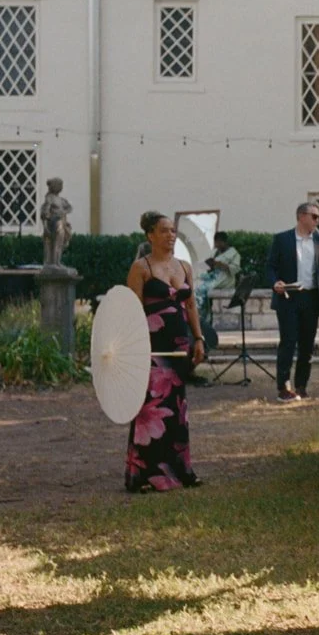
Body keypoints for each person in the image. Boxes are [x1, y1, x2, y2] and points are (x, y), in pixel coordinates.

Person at [124, 211, 205, 493]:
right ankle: (144, 475)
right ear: (150, 235)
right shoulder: (141, 267)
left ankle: (181, 469)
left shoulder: (184, 266)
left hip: (179, 341)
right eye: (164, 231)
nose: (171, 235)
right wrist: (134, 346)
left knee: (177, 406)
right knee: (151, 406)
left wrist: (198, 338)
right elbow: (131, 309)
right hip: (151, 343)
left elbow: (191, 304)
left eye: (173, 231)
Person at [266, 201, 319, 402]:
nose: (318, 220)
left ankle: (301, 385)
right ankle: (283, 386)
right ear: (301, 217)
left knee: (307, 344)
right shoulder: (282, 239)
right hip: (288, 296)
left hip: (311, 297)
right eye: (314, 216)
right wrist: (275, 283)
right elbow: (270, 267)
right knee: (288, 342)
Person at [195, 230, 240, 347]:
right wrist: (209, 265)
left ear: (224, 242)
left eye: (218, 243)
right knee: (197, 286)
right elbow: (211, 269)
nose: (217, 245)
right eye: (216, 243)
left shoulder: (234, 254)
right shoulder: (216, 252)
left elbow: (235, 269)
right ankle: (200, 314)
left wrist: (219, 264)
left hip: (225, 280)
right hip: (214, 276)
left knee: (204, 289)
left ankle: (205, 316)